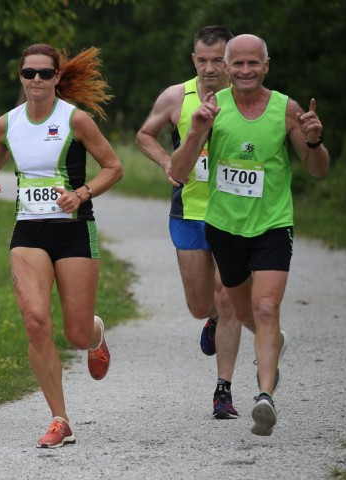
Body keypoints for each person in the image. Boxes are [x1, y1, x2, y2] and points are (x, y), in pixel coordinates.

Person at [170, 34, 330, 436]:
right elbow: (178, 171)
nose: (244, 71)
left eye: (252, 64)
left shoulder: (286, 109)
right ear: (225, 67)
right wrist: (195, 132)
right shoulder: (212, 108)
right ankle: (272, 345)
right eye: (237, 64)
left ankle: (265, 398)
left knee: (264, 309)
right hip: (224, 228)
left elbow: (318, 168)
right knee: (242, 313)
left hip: (273, 225)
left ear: (266, 65)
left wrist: (314, 140)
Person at [0, 43, 122, 448]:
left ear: (57, 77)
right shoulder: (6, 124)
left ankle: (95, 334)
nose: (36, 80)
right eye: (29, 74)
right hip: (29, 232)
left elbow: (114, 167)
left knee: (75, 333)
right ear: (20, 77)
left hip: (73, 229)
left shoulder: (76, 120)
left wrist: (83, 193)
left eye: (44, 73)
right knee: (35, 321)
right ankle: (60, 419)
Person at [136, 25, 243, 419]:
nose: (212, 67)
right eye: (204, 59)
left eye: (219, 60)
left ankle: (223, 390)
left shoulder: (246, 99)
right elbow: (144, 135)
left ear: (230, 60)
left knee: (228, 294)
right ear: (193, 59)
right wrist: (167, 161)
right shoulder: (176, 96)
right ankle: (211, 319)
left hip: (234, 214)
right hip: (189, 212)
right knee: (201, 304)